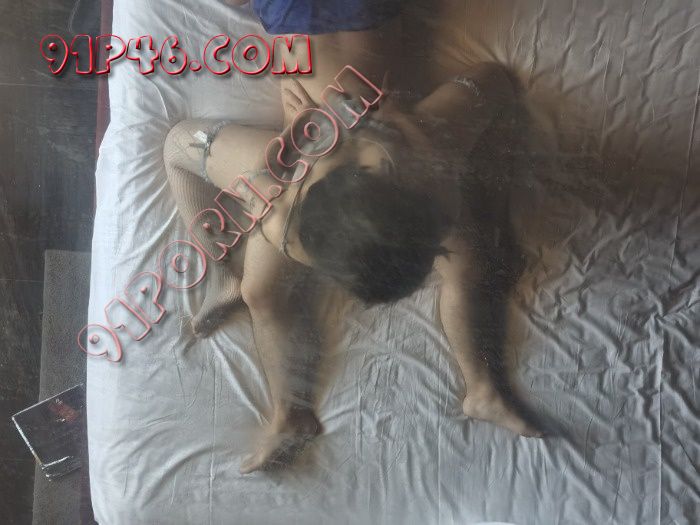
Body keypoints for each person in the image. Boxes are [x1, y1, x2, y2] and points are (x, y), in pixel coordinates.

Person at [163, 9, 542, 475]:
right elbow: (492, 81)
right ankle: (291, 412)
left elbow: (179, 146)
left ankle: (480, 390)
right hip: (346, 111)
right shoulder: (419, 157)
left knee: (260, 290)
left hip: (339, 129)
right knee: (259, 290)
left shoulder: (298, 195)